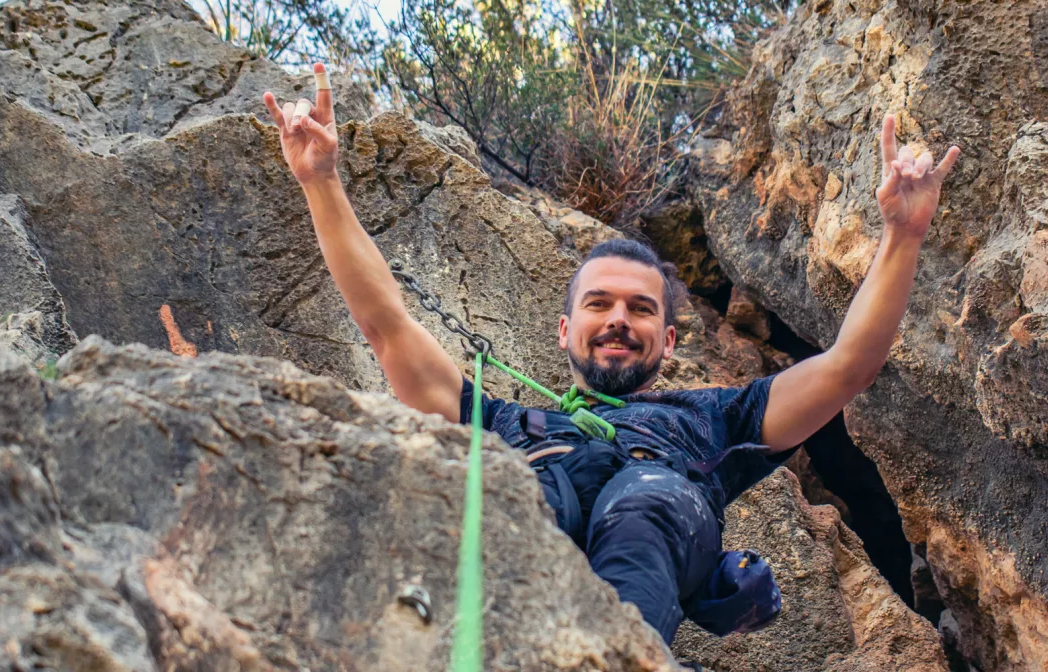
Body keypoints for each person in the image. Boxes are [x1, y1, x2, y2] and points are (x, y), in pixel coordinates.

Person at [261, 64, 960, 645]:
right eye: (599, 304)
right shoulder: (501, 425)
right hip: (530, 503)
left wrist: (902, 236)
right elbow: (387, 328)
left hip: (662, 506)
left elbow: (848, 368)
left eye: (640, 308)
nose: (619, 320)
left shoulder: (715, 421)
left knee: (643, 502)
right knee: (522, 494)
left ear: (670, 341)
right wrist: (321, 182)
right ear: (564, 331)